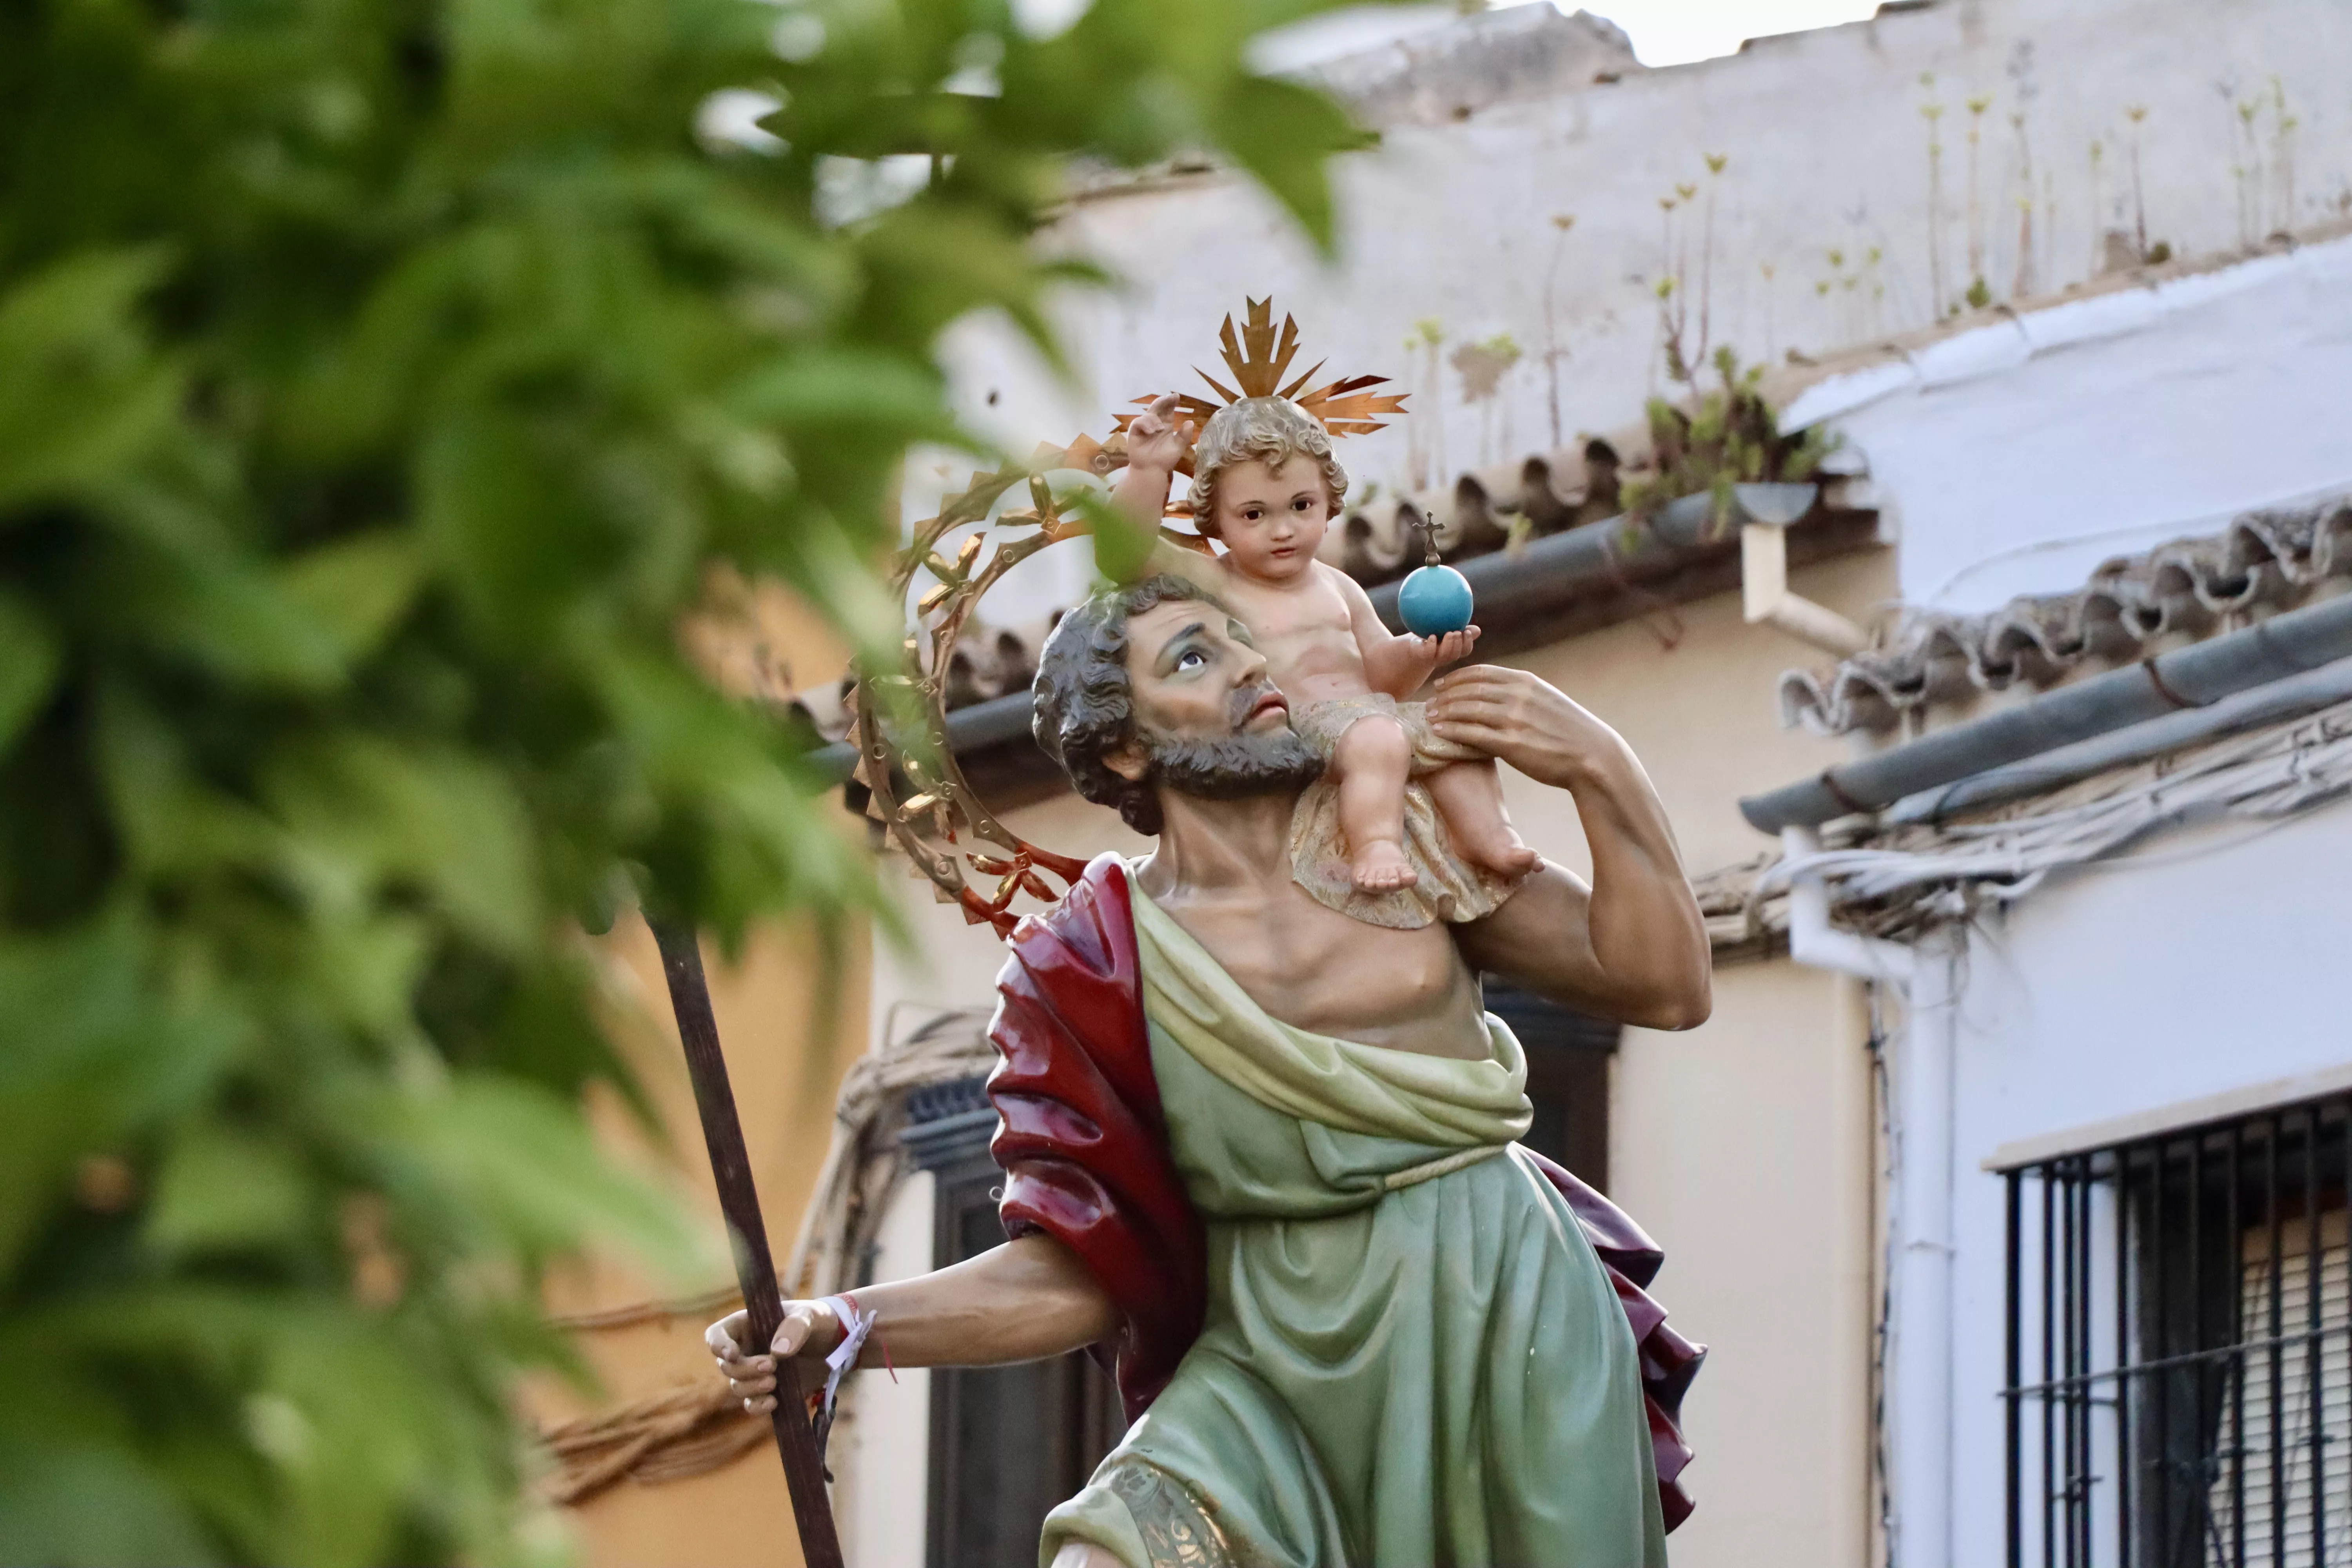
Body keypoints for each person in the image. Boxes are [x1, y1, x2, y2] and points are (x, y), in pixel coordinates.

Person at [710, 574, 1712, 1568]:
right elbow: (1075, 1277)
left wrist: (1599, 767)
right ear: (1126, 744)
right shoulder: (1091, 965)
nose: (1250, 664)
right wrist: (840, 1320)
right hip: (1266, 1372)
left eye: (1244, 639)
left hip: (1508, 1319)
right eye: (1196, 655)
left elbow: (1665, 984)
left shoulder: (1406, 848)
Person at [1122, 391, 1539, 923]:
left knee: (1457, 734)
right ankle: (1375, 844)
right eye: (1254, 514)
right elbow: (1128, 554)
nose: (1283, 529)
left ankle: (1492, 838)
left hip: (1370, 716)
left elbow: (1381, 674)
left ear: (1328, 499)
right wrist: (1147, 471)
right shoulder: (1218, 584)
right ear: (1216, 521)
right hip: (1302, 731)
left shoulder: (1338, 586)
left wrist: (1422, 653)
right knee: (1379, 739)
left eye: (1302, 506)